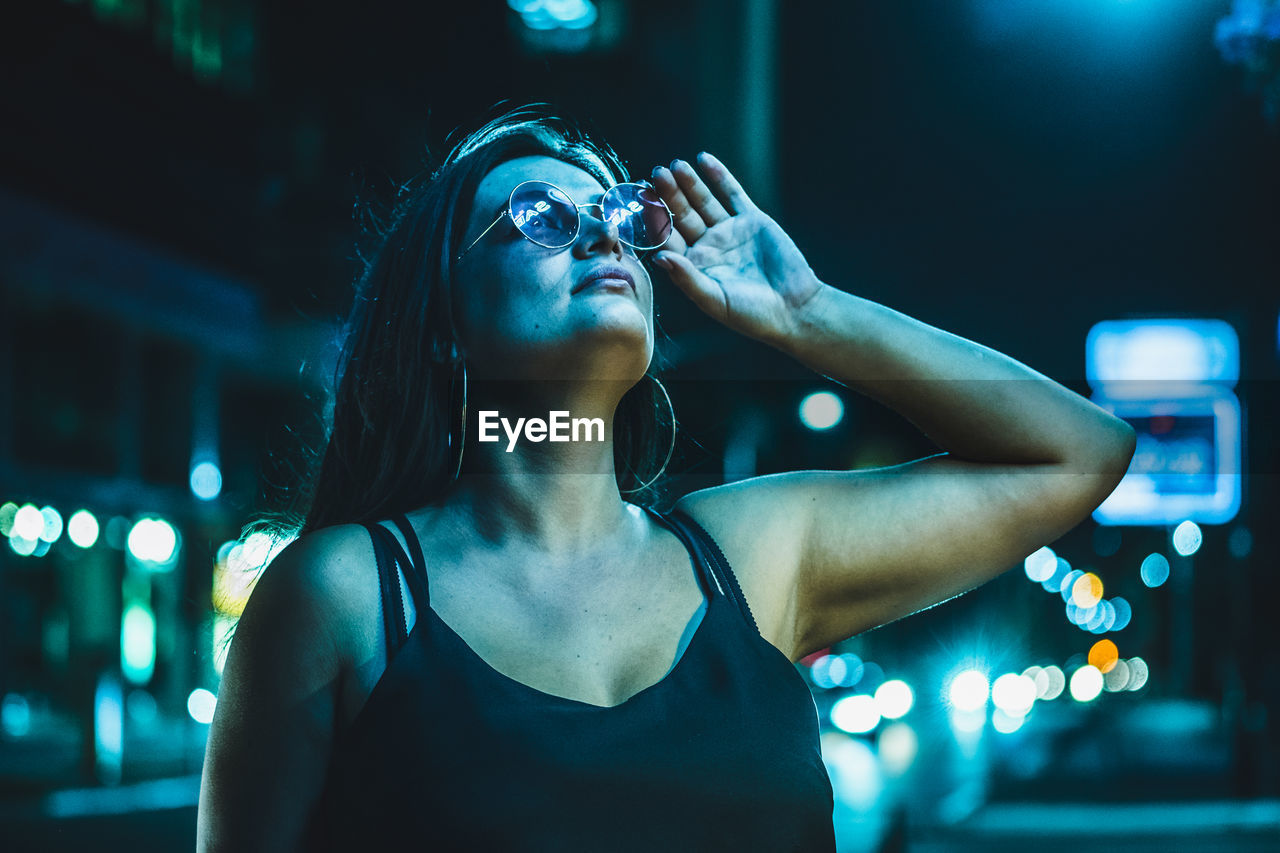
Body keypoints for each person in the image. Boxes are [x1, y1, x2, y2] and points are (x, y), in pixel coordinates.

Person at [196, 104, 1136, 851]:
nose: (603, 238)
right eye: (543, 219)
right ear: (444, 319)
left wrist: (811, 312)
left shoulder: (749, 560)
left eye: (616, 217)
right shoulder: (345, 596)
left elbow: (1079, 453)